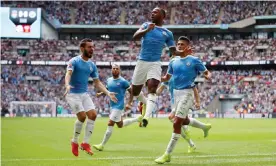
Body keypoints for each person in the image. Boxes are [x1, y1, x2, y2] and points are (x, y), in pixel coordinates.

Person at [155, 36, 211, 164]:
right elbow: (167, 77)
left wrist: (208, 75)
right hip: (176, 95)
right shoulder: (173, 61)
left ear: (187, 47)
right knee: (184, 120)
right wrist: (156, 78)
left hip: (187, 93)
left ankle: (167, 154)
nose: (179, 46)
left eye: (181, 44)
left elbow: (207, 72)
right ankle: (204, 127)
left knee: (176, 122)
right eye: (178, 44)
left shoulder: (194, 60)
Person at [132, 7, 189, 127]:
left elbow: (173, 51)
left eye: (155, 12)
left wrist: (183, 53)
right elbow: (135, 37)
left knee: (152, 89)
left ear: (163, 16)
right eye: (151, 12)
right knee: (135, 92)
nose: (152, 14)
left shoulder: (167, 33)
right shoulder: (146, 25)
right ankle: (145, 103)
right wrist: (146, 30)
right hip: (142, 62)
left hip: (155, 63)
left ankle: (146, 117)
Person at [64, 38, 117, 157]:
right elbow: (68, 74)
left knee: (93, 115)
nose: (92, 49)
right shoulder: (74, 61)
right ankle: (74, 141)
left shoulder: (92, 65)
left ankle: (85, 143)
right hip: (72, 94)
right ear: (82, 48)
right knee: (82, 116)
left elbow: (97, 83)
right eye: (89, 47)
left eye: (93, 47)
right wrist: (67, 85)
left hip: (84, 94)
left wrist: (108, 93)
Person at [93, 64, 143, 151]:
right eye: (114, 68)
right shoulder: (109, 80)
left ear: (119, 71)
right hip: (112, 106)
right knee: (120, 124)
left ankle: (102, 145)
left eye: (117, 69)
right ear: (111, 70)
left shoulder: (123, 81)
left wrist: (129, 103)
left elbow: (132, 92)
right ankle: (137, 119)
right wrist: (100, 93)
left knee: (110, 123)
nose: (115, 70)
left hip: (119, 106)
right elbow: (108, 89)